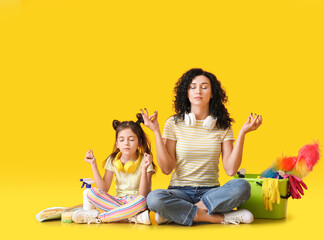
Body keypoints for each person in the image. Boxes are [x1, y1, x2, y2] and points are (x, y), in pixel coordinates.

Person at [141, 68, 263, 226]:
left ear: (212, 93)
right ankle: (219, 218)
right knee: (154, 198)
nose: (198, 91)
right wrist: (156, 131)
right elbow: (166, 169)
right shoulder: (173, 123)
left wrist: (242, 133)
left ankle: (177, 214)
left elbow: (231, 170)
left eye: (204, 87)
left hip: (211, 192)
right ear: (186, 93)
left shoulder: (223, 126)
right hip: (179, 191)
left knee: (242, 186)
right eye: (192, 87)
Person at [72, 114, 156, 224]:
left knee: (142, 201)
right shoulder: (112, 161)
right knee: (90, 192)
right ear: (117, 143)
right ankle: (132, 217)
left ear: (139, 142)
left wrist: (144, 169)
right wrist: (93, 164)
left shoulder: (145, 161)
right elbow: (103, 188)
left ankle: (98, 217)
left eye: (131, 139)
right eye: (121, 140)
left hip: (136, 202)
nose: (126, 143)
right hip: (118, 201)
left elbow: (143, 195)